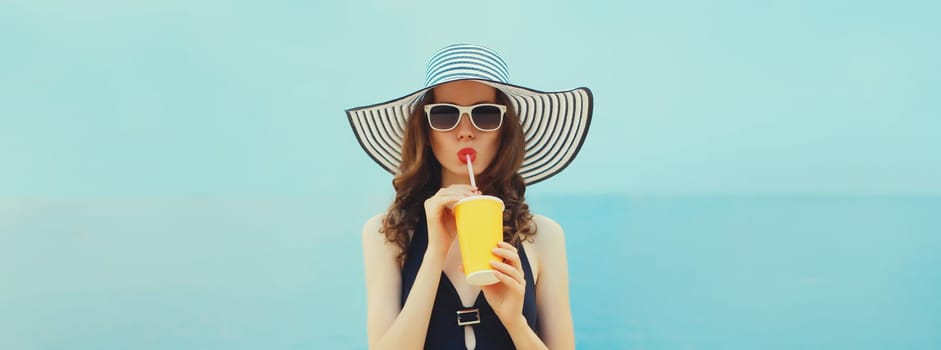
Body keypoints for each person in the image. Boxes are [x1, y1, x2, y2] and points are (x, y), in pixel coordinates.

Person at [347, 44, 593, 350]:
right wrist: (435, 252)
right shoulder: (387, 235)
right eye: (445, 114)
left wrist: (515, 322)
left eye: (485, 115)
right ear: (426, 130)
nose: (465, 131)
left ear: (505, 130)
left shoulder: (544, 237)